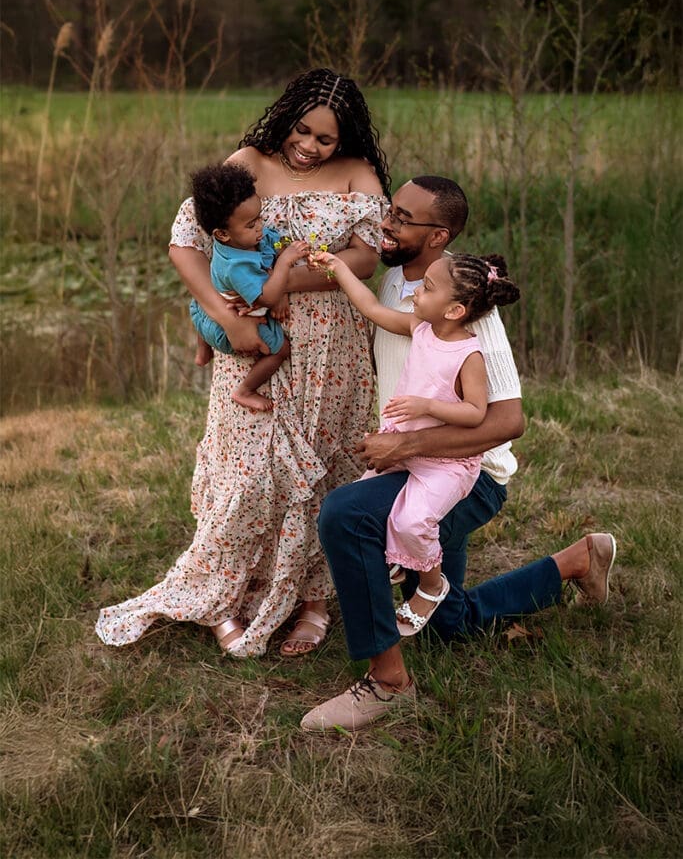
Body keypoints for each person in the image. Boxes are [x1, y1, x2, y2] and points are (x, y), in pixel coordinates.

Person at [300, 176, 617, 732]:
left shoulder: (470, 313)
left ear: (439, 235)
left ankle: (387, 683)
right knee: (451, 627)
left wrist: (407, 442)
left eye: (402, 217)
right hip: (413, 466)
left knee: (346, 515)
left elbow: (507, 419)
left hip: (465, 476)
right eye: (390, 211)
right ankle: (576, 561)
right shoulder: (402, 284)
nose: (387, 223)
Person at [96, 68, 390, 659]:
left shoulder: (360, 175)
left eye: (325, 139)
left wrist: (288, 282)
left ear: (346, 139)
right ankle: (224, 596)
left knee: (327, 466)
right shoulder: (248, 162)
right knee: (244, 471)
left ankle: (312, 599)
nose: (308, 146)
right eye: (301, 131)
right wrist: (227, 318)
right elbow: (187, 240)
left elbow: (367, 256)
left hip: (333, 343)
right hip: (254, 339)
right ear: (285, 120)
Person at [312, 246, 519, 634]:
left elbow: (476, 413)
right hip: (406, 452)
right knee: (362, 502)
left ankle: (431, 584)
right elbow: (371, 308)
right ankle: (399, 560)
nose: (414, 294)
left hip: (447, 462)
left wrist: (427, 405)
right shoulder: (419, 328)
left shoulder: (469, 353)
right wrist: (338, 267)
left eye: (426, 288)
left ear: (455, 310)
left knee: (411, 521)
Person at [188, 161, 310, 411]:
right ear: (222, 234)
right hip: (232, 327)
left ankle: (202, 351)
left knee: (199, 302)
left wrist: (280, 252)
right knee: (281, 350)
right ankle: (245, 390)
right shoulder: (237, 266)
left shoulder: (243, 240)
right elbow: (266, 297)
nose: (261, 228)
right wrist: (285, 264)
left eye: (260, 218)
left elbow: (275, 244)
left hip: (206, 310)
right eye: (251, 225)